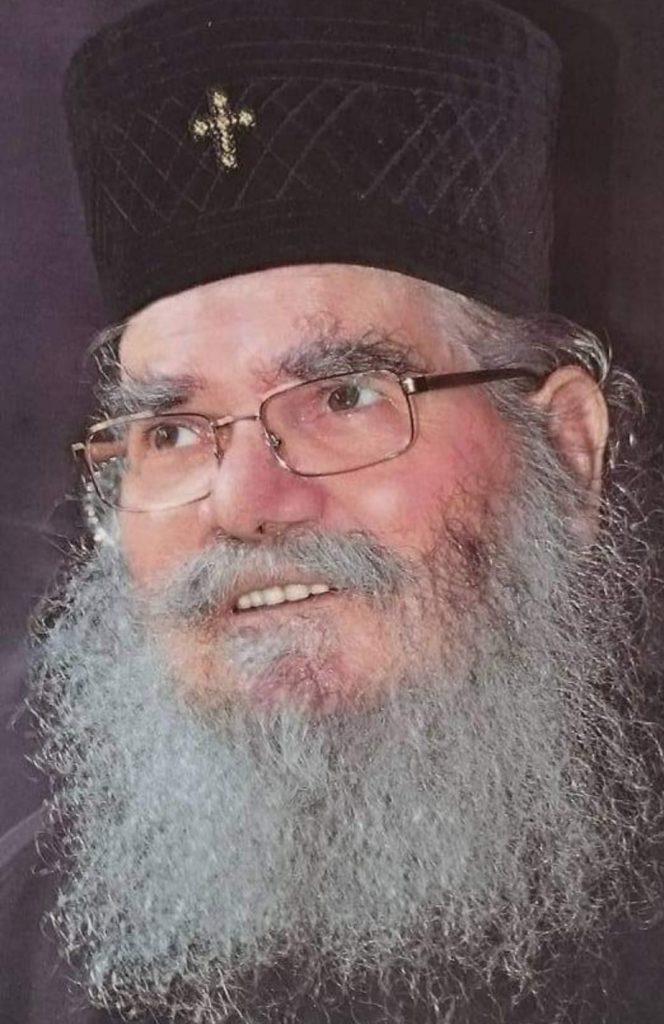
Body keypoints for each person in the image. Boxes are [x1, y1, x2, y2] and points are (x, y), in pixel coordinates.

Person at [1, 0, 663, 1021]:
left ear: (568, 453)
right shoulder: (23, 941)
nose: (243, 501)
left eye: (345, 396)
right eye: (171, 431)